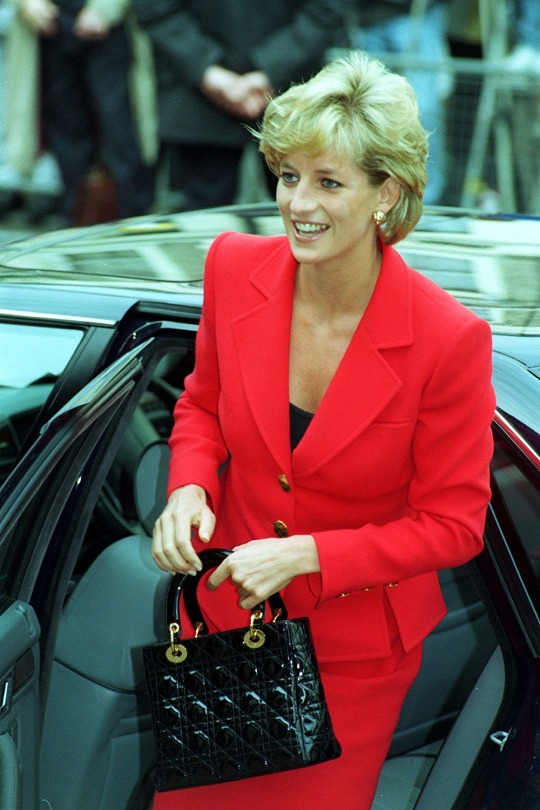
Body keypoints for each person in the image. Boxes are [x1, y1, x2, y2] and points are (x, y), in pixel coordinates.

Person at [151, 51, 495, 809]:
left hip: (355, 654)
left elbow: (454, 525)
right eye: (288, 176)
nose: (298, 203)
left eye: (329, 182)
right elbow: (201, 405)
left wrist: (307, 554)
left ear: (386, 194)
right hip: (228, 622)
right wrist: (187, 489)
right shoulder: (232, 267)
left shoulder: (448, 340)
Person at [134, 0, 348, 211]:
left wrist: (209, 70)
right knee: (304, 209)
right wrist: (269, 69)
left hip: (282, 97)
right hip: (214, 97)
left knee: (304, 207)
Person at [8, 0, 156, 225]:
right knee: (67, 144)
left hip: (109, 26)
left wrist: (106, 8)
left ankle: (132, 223)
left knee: (120, 135)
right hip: (51, 25)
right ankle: (76, 223)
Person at [352, 0, 451, 205]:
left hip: (417, 13)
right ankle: (373, 197)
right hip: (364, 17)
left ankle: (425, 203)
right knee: (366, 112)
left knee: (423, 110)